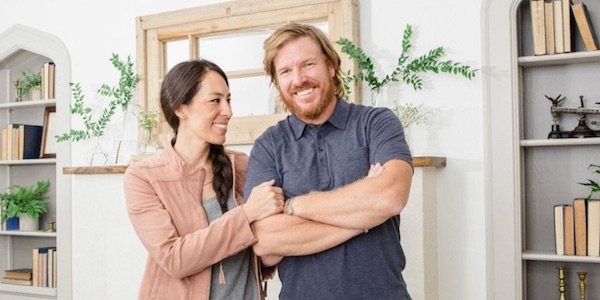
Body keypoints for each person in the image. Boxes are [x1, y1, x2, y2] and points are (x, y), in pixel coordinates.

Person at [245, 23, 414, 299]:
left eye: (308, 64)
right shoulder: (269, 145)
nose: (298, 79)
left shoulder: (376, 123)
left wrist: (294, 205)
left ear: (330, 66)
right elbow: (265, 241)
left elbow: (390, 198)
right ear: (277, 81)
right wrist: (365, 217)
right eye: (285, 71)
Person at [124, 59, 285, 300]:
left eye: (228, 100)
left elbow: (266, 245)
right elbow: (174, 259)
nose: (228, 111)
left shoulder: (242, 166)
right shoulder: (143, 177)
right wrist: (247, 214)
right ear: (180, 108)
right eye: (215, 100)